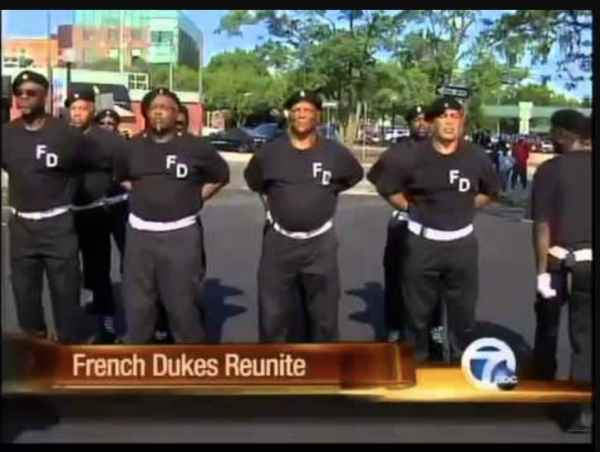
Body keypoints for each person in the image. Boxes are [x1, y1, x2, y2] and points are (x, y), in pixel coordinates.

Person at [369, 97, 500, 362]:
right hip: (421, 245)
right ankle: (416, 366)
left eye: (455, 116)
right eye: (443, 116)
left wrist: (464, 209)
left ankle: (461, 368)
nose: (450, 121)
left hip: (461, 246)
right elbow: (386, 187)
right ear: (432, 122)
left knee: (463, 316)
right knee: (416, 315)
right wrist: (411, 209)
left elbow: (490, 191)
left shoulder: (476, 156)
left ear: (461, 121)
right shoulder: (411, 156)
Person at [245, 90, 364, 343]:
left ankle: (323, 370)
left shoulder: (335, 153)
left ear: (317, 115)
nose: (301, 114)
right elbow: (257, 183)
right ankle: (273, 371)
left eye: (308, 110)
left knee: (324, 315)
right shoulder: (269, 153)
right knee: (273, 314)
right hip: (279, 242)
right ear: (289, 115)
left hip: (320, 244)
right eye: (296, 110)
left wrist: (324, 193)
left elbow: (353, 176)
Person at [115, 88, 230, 344]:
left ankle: (189, 361)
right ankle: (138, 359)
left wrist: (195, 198)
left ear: (176, 112)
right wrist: (144, 195)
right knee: (138, 302)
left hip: (181, 235)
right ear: (145, 112)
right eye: (153, 106)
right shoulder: (130, 147)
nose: (159, 111)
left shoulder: (196, 147)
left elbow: (221, 176)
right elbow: (120, 176)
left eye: (165, 107)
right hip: (140, 235)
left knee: (183, 303)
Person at [2, 71, 106, 343]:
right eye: (19, 93)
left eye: (31, 92)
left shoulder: (66, 135)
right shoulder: (7, 134)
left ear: (45, 96)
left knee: (65, 293)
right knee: (24, 293)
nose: (23, 97)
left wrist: (79, 195)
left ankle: (68, 347)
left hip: (57, 225)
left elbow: (97, 165)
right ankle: (36, 345)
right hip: (21, 226)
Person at [530, 110, 592, 433]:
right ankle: (583, 412)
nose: (551, 139)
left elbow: (541, 225)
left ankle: (543, 389)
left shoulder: (549, 170)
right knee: (585, 336)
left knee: (548, 326)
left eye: (555, 133)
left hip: (557, 261)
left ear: (566, 136)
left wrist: (540, 271)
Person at [368, 105, 438, 345]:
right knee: (397, 278)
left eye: (426, 119)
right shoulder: (397, 152)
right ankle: (395, 327)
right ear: (409, 123)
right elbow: (378, 181)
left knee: (433, 282)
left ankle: (434, 331)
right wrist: (406, 206)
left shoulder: (445, 150)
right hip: (404, 223)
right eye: (416, 119)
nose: (421, 123)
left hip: (437, 227)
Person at [67, 89, 129, 344]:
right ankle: (68, 321)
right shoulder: (63, 137)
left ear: (92, 109)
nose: (77, 112)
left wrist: (109, 194)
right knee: (66, 270)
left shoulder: (110, 140)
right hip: (65, 215)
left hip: (97, 214)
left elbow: (125, 172)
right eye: (73, 108)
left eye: (82, 108)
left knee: (98, 266)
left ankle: (105, 319)